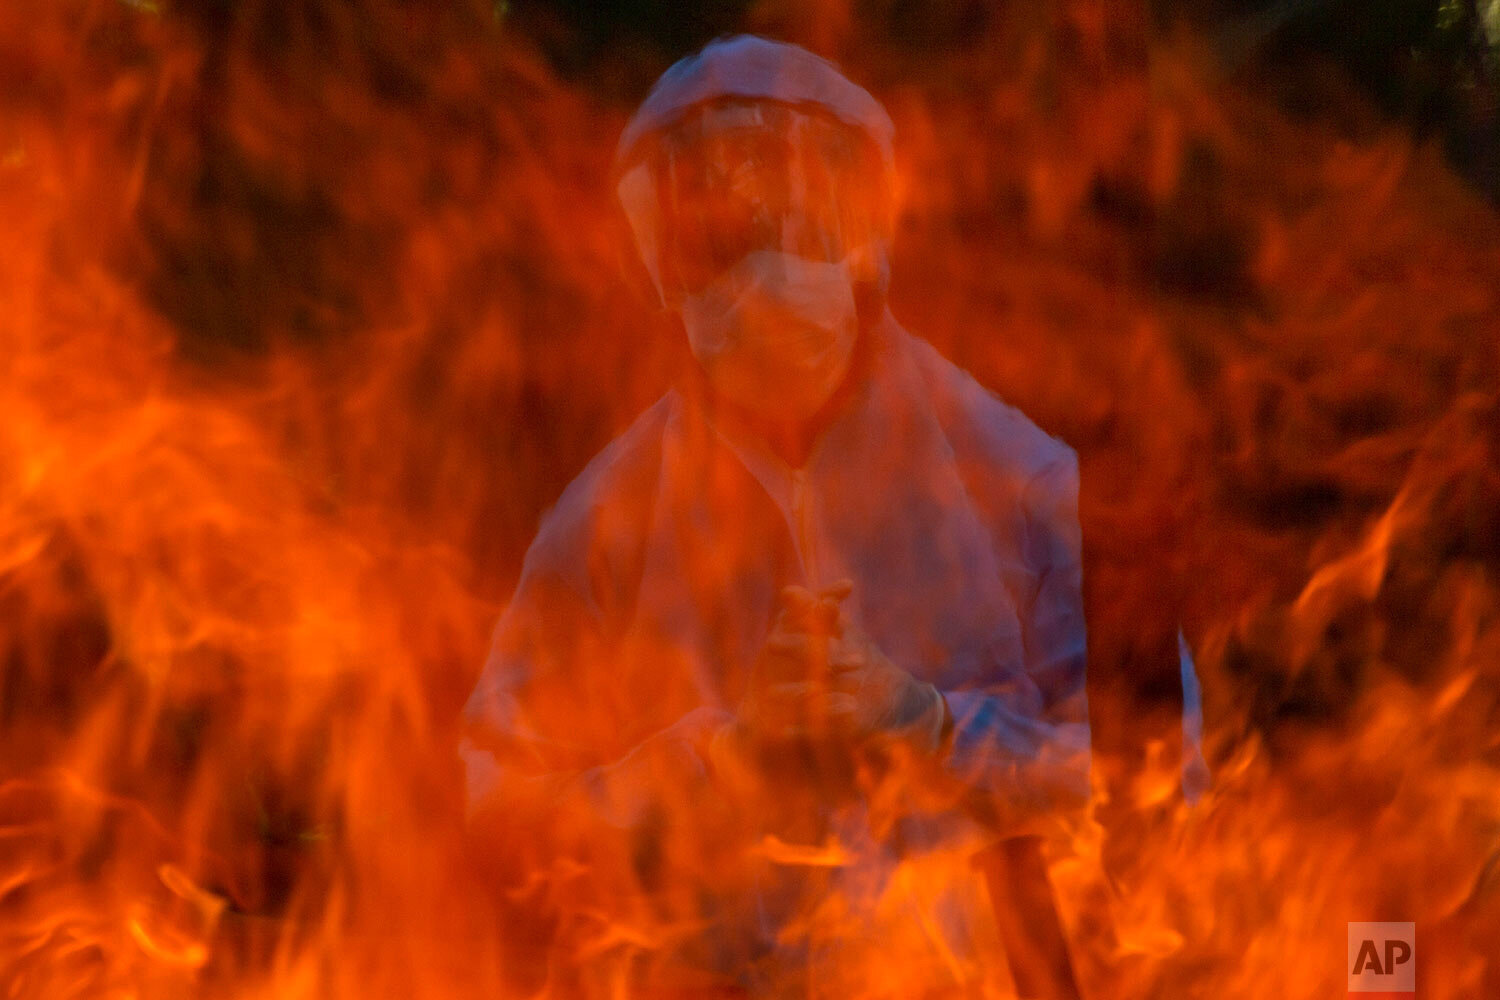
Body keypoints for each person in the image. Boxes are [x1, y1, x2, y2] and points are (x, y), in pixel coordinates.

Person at [461, 35, 1093, 994]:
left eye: (802, 218)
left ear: (863, 227)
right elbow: (502, 808)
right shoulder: (605, 523)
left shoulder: (1011, 474)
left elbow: (1122, 775)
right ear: (663, 264)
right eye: (720, 232)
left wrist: (923, 723)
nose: (764, 258)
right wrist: (714, 762)